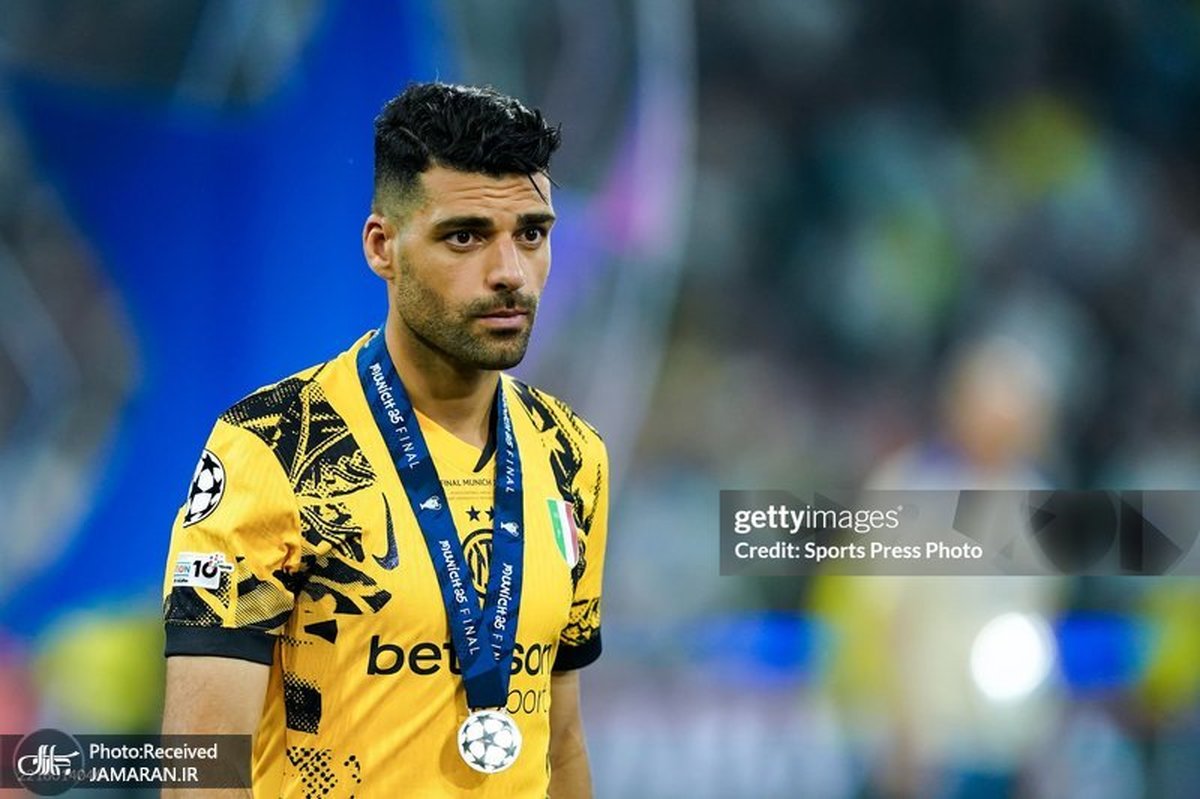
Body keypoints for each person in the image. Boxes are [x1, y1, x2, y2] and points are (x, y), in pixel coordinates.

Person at [161, 82, 609, 799]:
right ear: (383, 247)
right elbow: (201, 771)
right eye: (465, 236)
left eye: (531, 233)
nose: (509, 272)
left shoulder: (572, 454)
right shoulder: (273, 445)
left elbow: (564, 745)